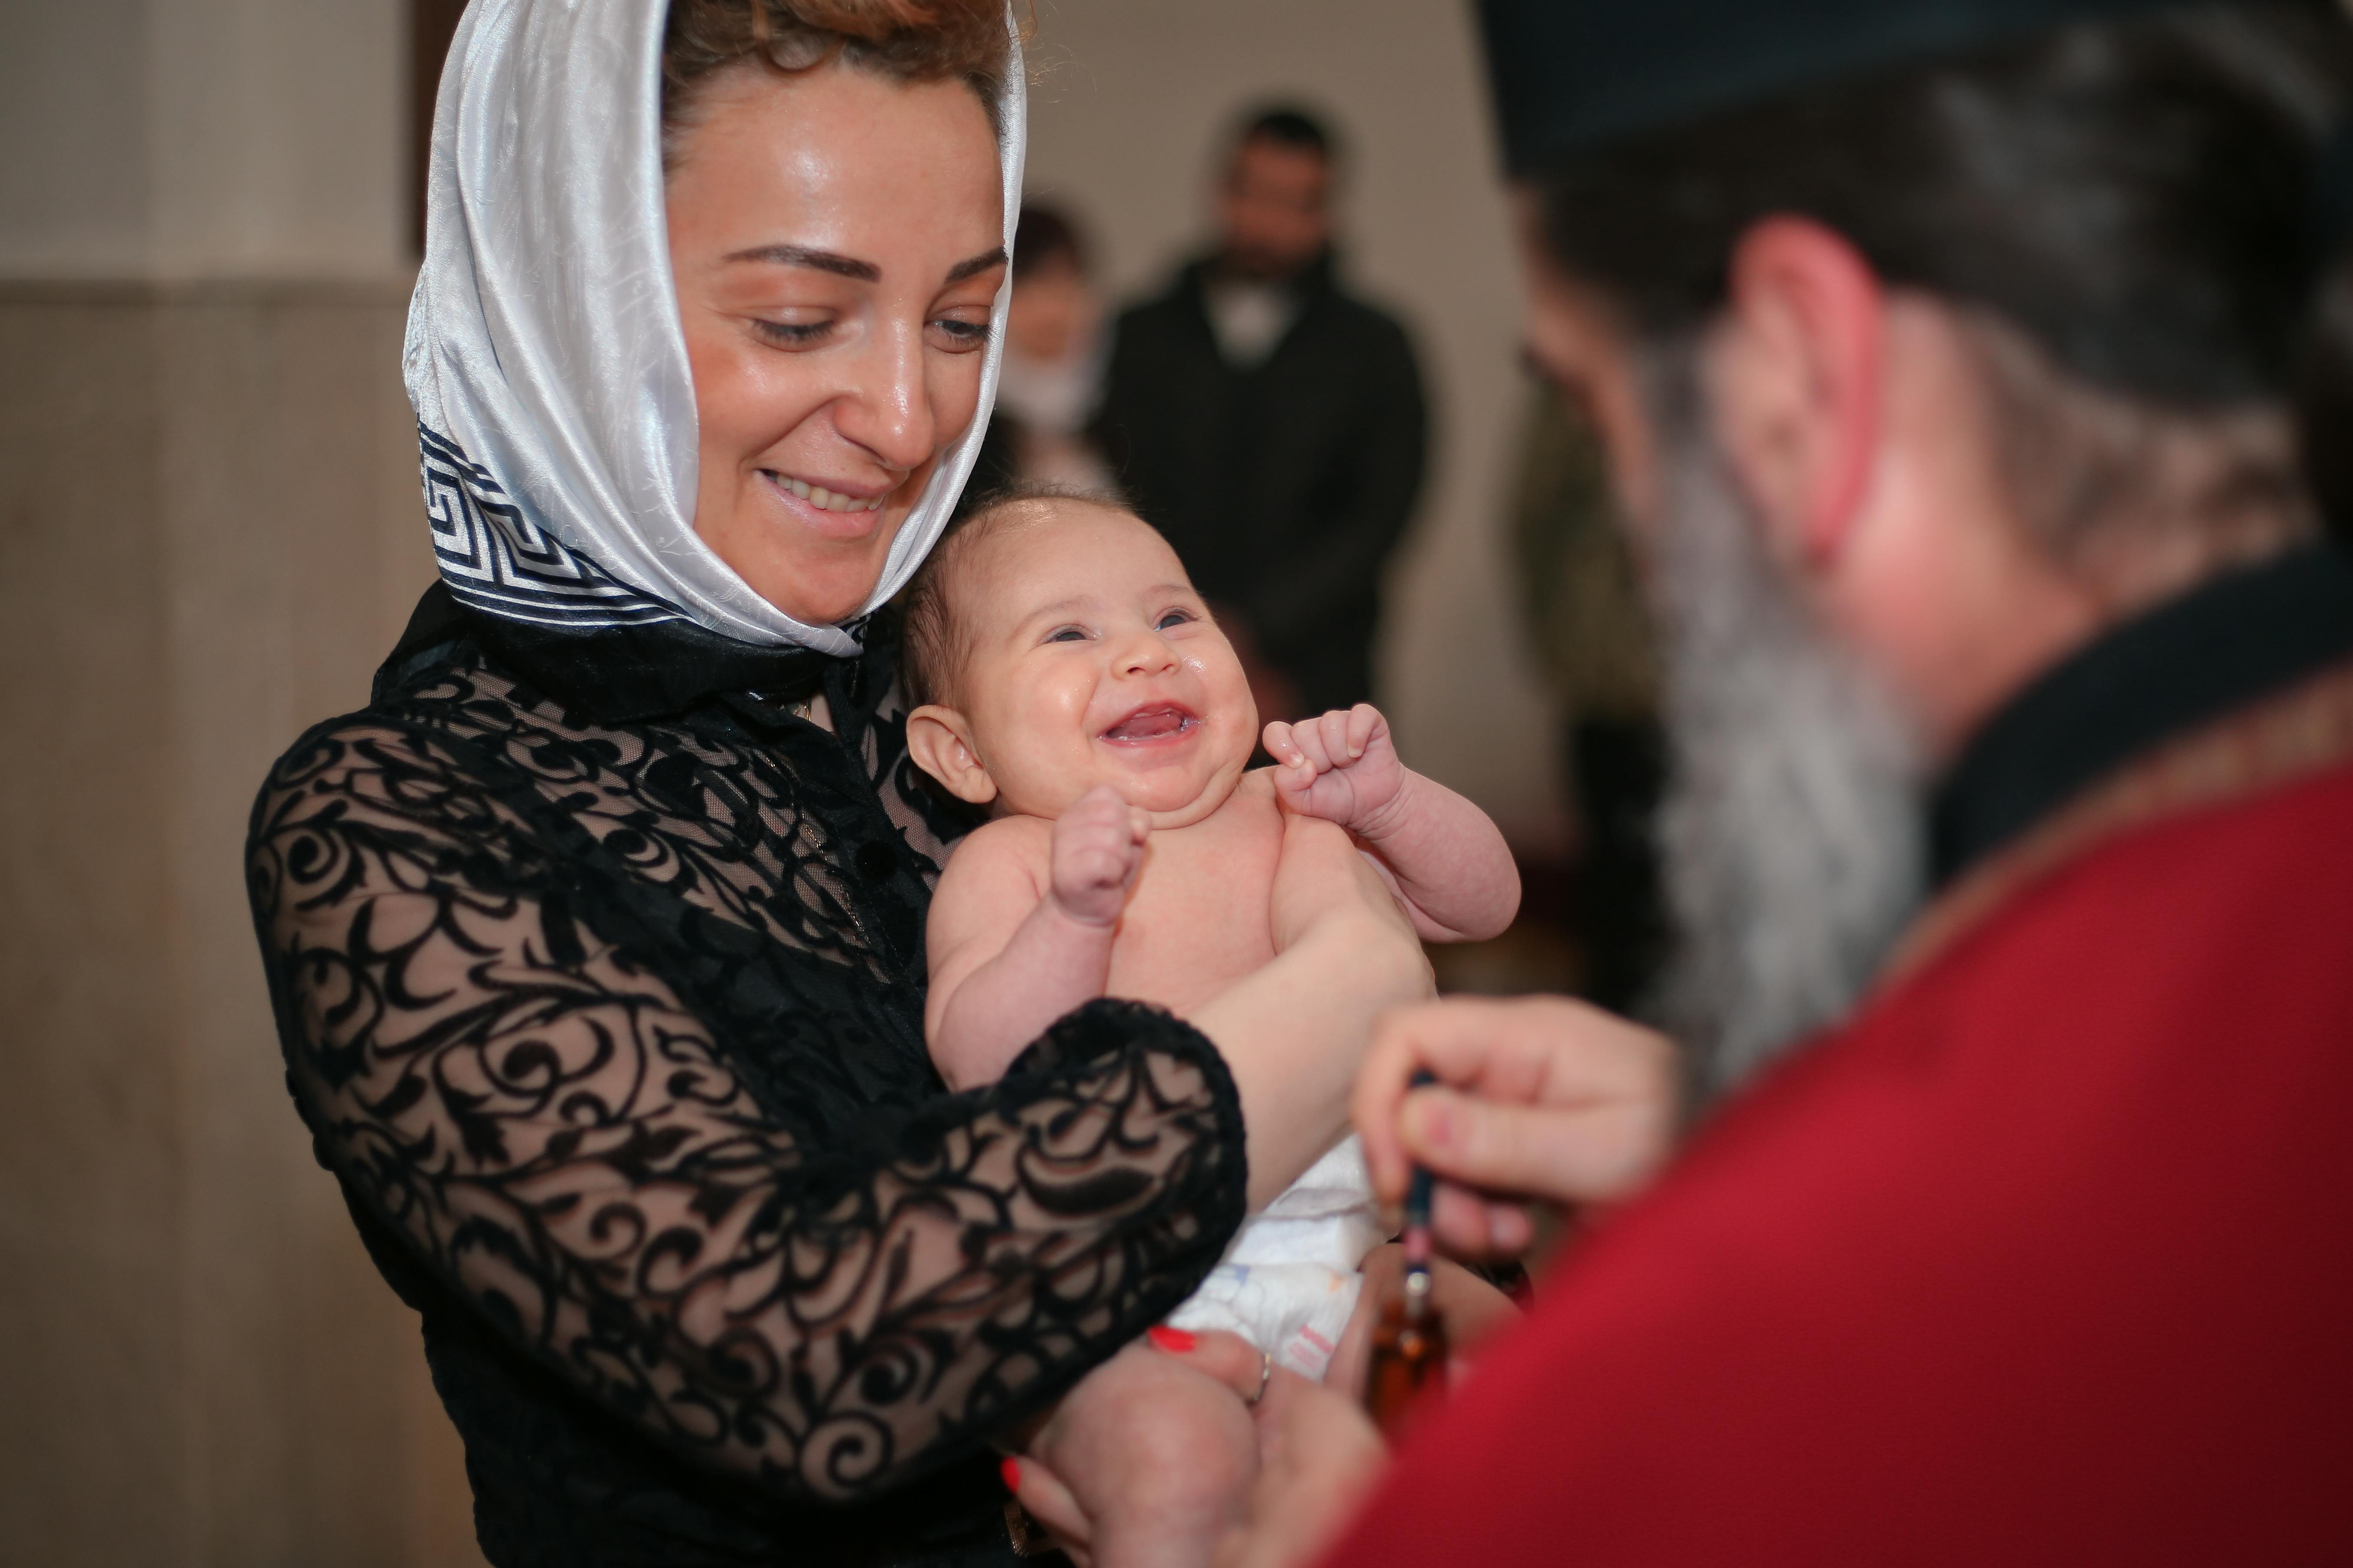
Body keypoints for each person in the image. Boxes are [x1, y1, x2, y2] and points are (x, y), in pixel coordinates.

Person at [1004, 1, 2353, 1563]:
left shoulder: (1672, 1408)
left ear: (1798, 378)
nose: (1641, 549)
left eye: (1594, 409)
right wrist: (1712, 1127)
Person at [241, 4, 1429, 1566]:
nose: (905, 419)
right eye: (802, 320)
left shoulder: (952, 691)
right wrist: (1350, 994)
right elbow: (805, 1359)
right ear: (562, 306)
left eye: (956, 323)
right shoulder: (398, 821)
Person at [894, 489, 1519, 1567]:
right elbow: (979, 1057)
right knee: (1170, 1463)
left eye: (1176, 618)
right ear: (960, 755)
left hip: (1348, 1253)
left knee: (1514, 1360)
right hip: (1130, 1294)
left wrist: (1391, 804)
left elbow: (1485, 904)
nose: (1144, 656)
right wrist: (1071, 921)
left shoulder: (1292, 805)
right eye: (1070, 634)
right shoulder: (1013, 866)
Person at [1092, 105, 1427, 720]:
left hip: (1320, 665)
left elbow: (1380, 513)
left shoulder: (1374, 346)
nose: (1268, 221)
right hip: (1152, 646)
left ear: (1327, 212)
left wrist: (1260, 632)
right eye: (1255, 193)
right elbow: (1115, 485)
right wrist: (1189, 618)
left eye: (1295, 202)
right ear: (1220, 191)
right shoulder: (1139, 335)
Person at [1503, 376, 1670, 1015]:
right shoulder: (1584, 376)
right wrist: (1567, 645)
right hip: (1610, 682)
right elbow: (1534, 517)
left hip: (1721, 693)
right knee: (1618, 895)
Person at [964, 205, 1119, 499]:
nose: (1054, 308)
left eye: (1067, 281)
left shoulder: (1137, 399)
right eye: (1030, 284)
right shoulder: (966, 424)